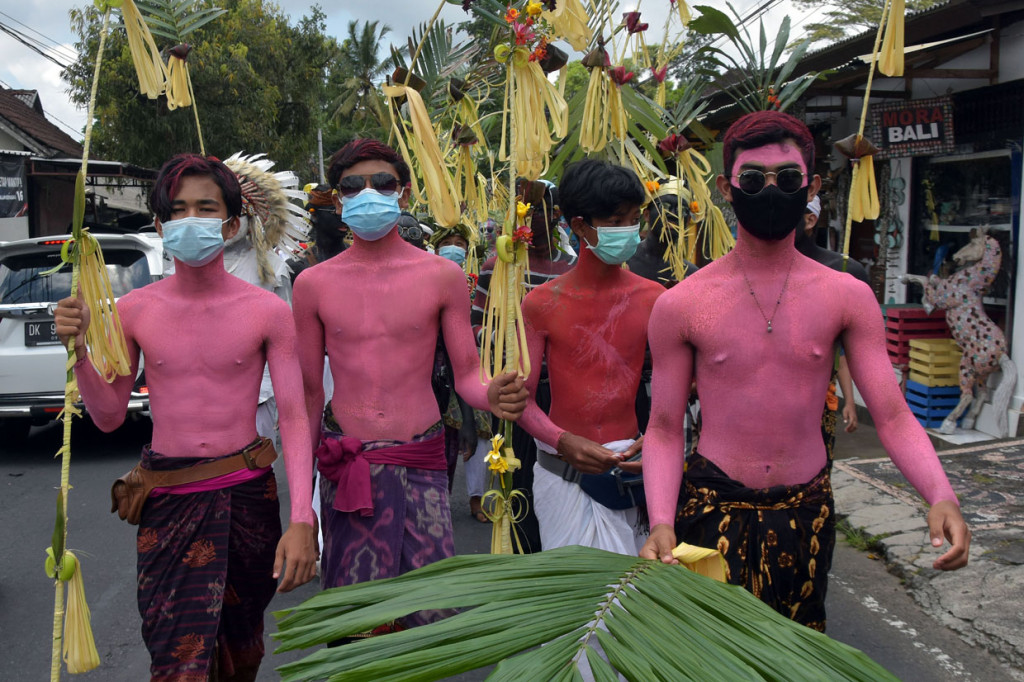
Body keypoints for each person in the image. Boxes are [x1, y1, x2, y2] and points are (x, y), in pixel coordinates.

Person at [640, 110, 971, 632]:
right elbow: (662, 427)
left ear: (811, 187)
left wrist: (941, 494)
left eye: (787, 178)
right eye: (753, 179)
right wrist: (660, 519)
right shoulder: (683, 304)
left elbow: (892, 414)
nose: (770, 189)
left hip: (806, 509)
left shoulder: (847, 295)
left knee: (795, 652)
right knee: (709, 655)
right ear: (728, 188)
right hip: (710, 508)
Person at [55, 154, 317, 680]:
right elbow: (107, 416)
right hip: (167, 502)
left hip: (247, 499)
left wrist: (302, 520)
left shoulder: (267, 311)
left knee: (241, 649)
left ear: (231, 224)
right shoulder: (133, 311)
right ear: (159, 226)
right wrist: (79, 350)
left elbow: (293, 416)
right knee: (175, 656)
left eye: (205, 208)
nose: (190, 220)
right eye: (178, 211)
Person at [291, 139, 527, 624]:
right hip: (348, 463)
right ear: (338, 200)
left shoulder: (441, 276)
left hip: (421, 461)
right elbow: (307, 399)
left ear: (404, 193)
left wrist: (493, 393)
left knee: (427, 620)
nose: (369, 193)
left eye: (383, 183)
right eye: (354, 186)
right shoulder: (313, 284)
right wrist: (300, 508)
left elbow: (466, 376)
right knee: (356, 623)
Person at [517, 159, 664, 553]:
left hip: (632, 470)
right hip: (562, 474)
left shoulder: (656, 300)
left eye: (634, 219)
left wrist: (653, 441)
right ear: (580, 226)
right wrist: (562, 441)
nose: (628, 232)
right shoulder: (542, 304)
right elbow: (520, 401)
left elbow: (680, 392)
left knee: (631, 602)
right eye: (616, 221)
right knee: (575, 606)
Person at [471, 178, 574, 552]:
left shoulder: (571, 268)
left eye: (540, 209)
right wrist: (509, 343)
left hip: (561, 393)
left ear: (558, 214)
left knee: (561, 479)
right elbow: (475, 326)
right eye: (524, 209)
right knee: (517, 481)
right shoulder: (497, 266)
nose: (529, 217)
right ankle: (520, 555)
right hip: (514, 393)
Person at [796, 195, 865, 437]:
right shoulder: (748, 275)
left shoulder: (844, 272)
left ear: (810, 219)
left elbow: (842, 353)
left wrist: (850, 402)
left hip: (817, 403)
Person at [628, 177, 699, 288]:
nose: (672, 214)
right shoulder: (624, 262)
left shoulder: (691, 275)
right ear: (646, 215)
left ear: (688, 220)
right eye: (664, 207)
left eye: (682, 210)